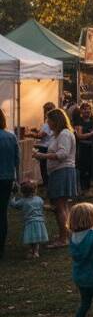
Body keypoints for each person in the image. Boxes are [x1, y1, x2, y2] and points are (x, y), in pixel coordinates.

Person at [35, 108, 78, 248]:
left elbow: (62, 154)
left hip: (62, 171)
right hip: (60, 171)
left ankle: (63, 238)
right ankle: (65, 233)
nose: (48, 122)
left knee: (59, 206)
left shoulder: (64, 134)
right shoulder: (58, 134)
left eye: (49, 120)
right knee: (63, 206)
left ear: (56, 121)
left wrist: (42, 156)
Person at [9, 180, 48, 258]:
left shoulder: (23, 201)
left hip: (29, 222)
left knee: (30, 237)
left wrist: (13, 196)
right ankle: (36, 252)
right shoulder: (39, 199)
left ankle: (31, 251)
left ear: (23, 192)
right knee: (36, 239)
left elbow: (14, 205)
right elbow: (42, 206)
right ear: (35, 190)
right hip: (39, 221)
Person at [0, 108, 19, 259]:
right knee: (3, 213)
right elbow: (16, 160)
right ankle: (1, 247)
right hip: (7, 178)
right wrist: (16, 179)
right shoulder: (11, 137)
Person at [75, 101, 93, 193]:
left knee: (90, 168)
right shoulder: (79, 121)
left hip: (92, 147)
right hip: (82, 147)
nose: (87, 112)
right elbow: (79, 136)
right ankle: (82, 189)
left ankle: (88, 189)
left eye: (89, 110)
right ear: (81, 111)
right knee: (83, 168)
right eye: (85, 110)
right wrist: (91, 133)